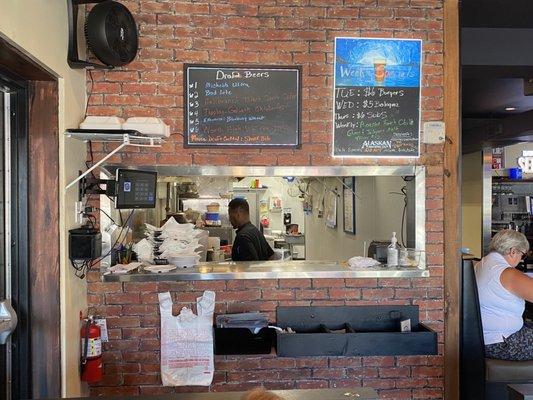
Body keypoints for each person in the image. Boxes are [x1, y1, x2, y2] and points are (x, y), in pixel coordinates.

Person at [475, 229, 533, 361]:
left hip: (487, 339)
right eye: (522, 255)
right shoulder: (506, 272)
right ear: (513, 251)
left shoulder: (482, 264)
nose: (520, 259)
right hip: (503, 343)